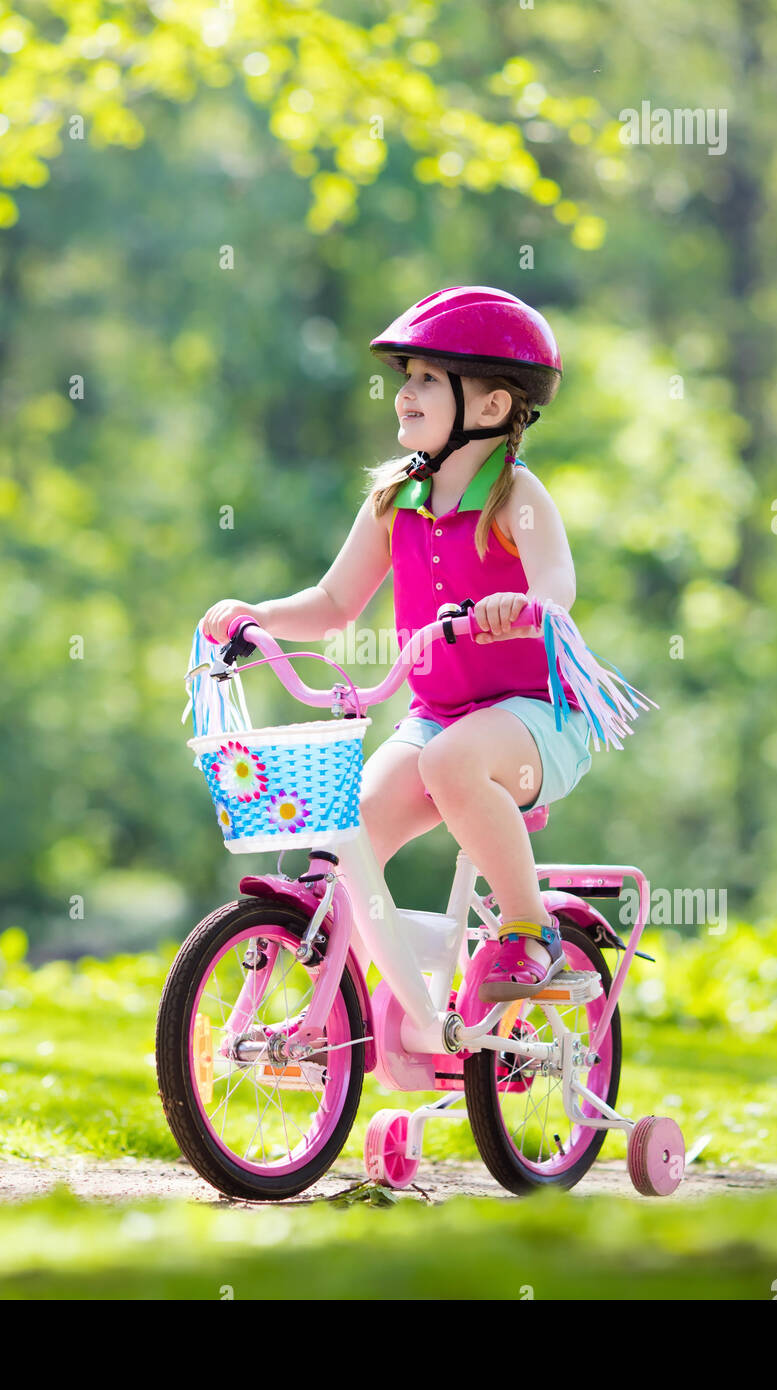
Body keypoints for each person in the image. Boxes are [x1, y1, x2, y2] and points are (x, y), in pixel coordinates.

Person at [201, 286, 595, 1001]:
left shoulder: (515, 496)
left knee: (451, 762)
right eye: (405, 379)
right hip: (436, 718)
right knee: (346, 836)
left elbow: (557, 584)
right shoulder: (394, 501)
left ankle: (531, 934)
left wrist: (525, 606)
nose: (404, 395)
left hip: (537, 718)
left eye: (426, 380)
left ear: (489, 407)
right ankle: (373, 1012)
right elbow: (331, 603)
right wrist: (258, 615)